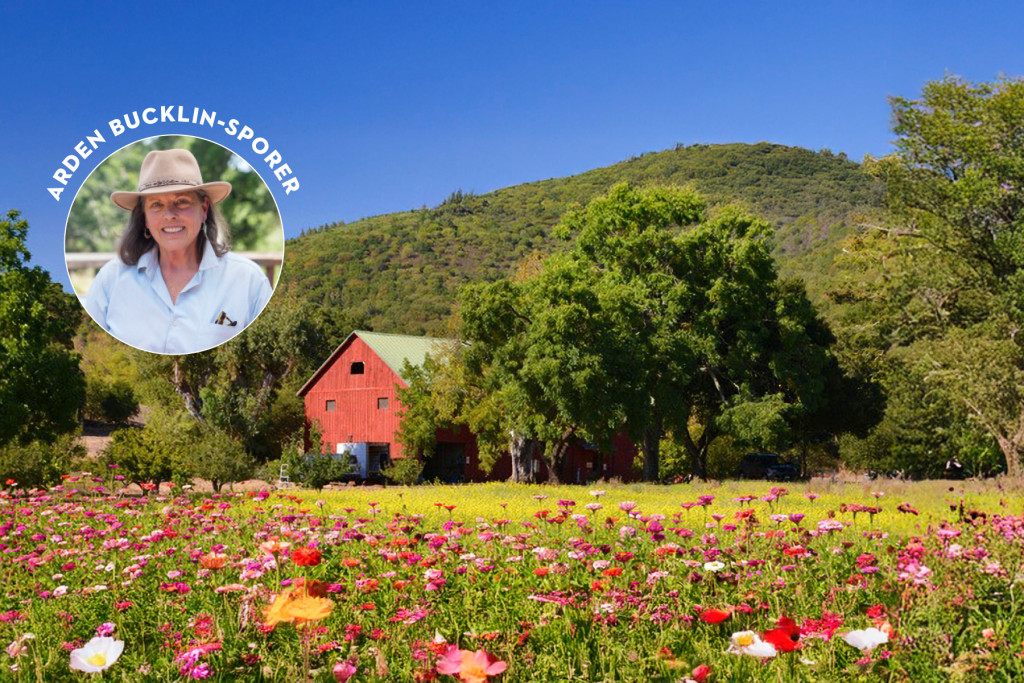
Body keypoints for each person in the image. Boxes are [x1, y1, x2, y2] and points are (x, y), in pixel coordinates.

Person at [85, 149, 274, 354]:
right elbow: (87, 354)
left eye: (181, 201)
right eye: (156, 204)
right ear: (144, 218)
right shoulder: (110, 281)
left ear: (203, 209)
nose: (170, 215)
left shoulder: (249, 282)